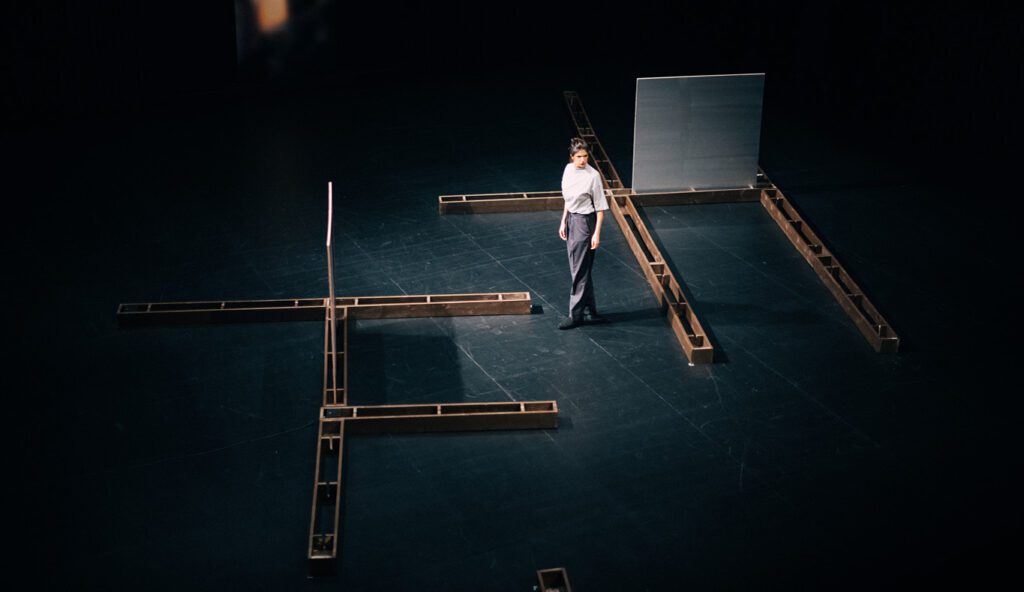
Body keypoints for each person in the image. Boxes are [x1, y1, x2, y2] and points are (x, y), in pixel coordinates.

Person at [557, 137, 609, 329]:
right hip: (572, 219)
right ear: (572, 157)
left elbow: (600, 208)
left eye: (585, 156)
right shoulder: (568, 170)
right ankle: (589, 311)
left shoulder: (593, 176)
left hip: (585, 223)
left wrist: (596, 234)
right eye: (579, 156)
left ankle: (576, 315)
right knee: (582, 268)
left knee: (578, 270)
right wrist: (563, 220)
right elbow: (568, 199)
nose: (583, 160)